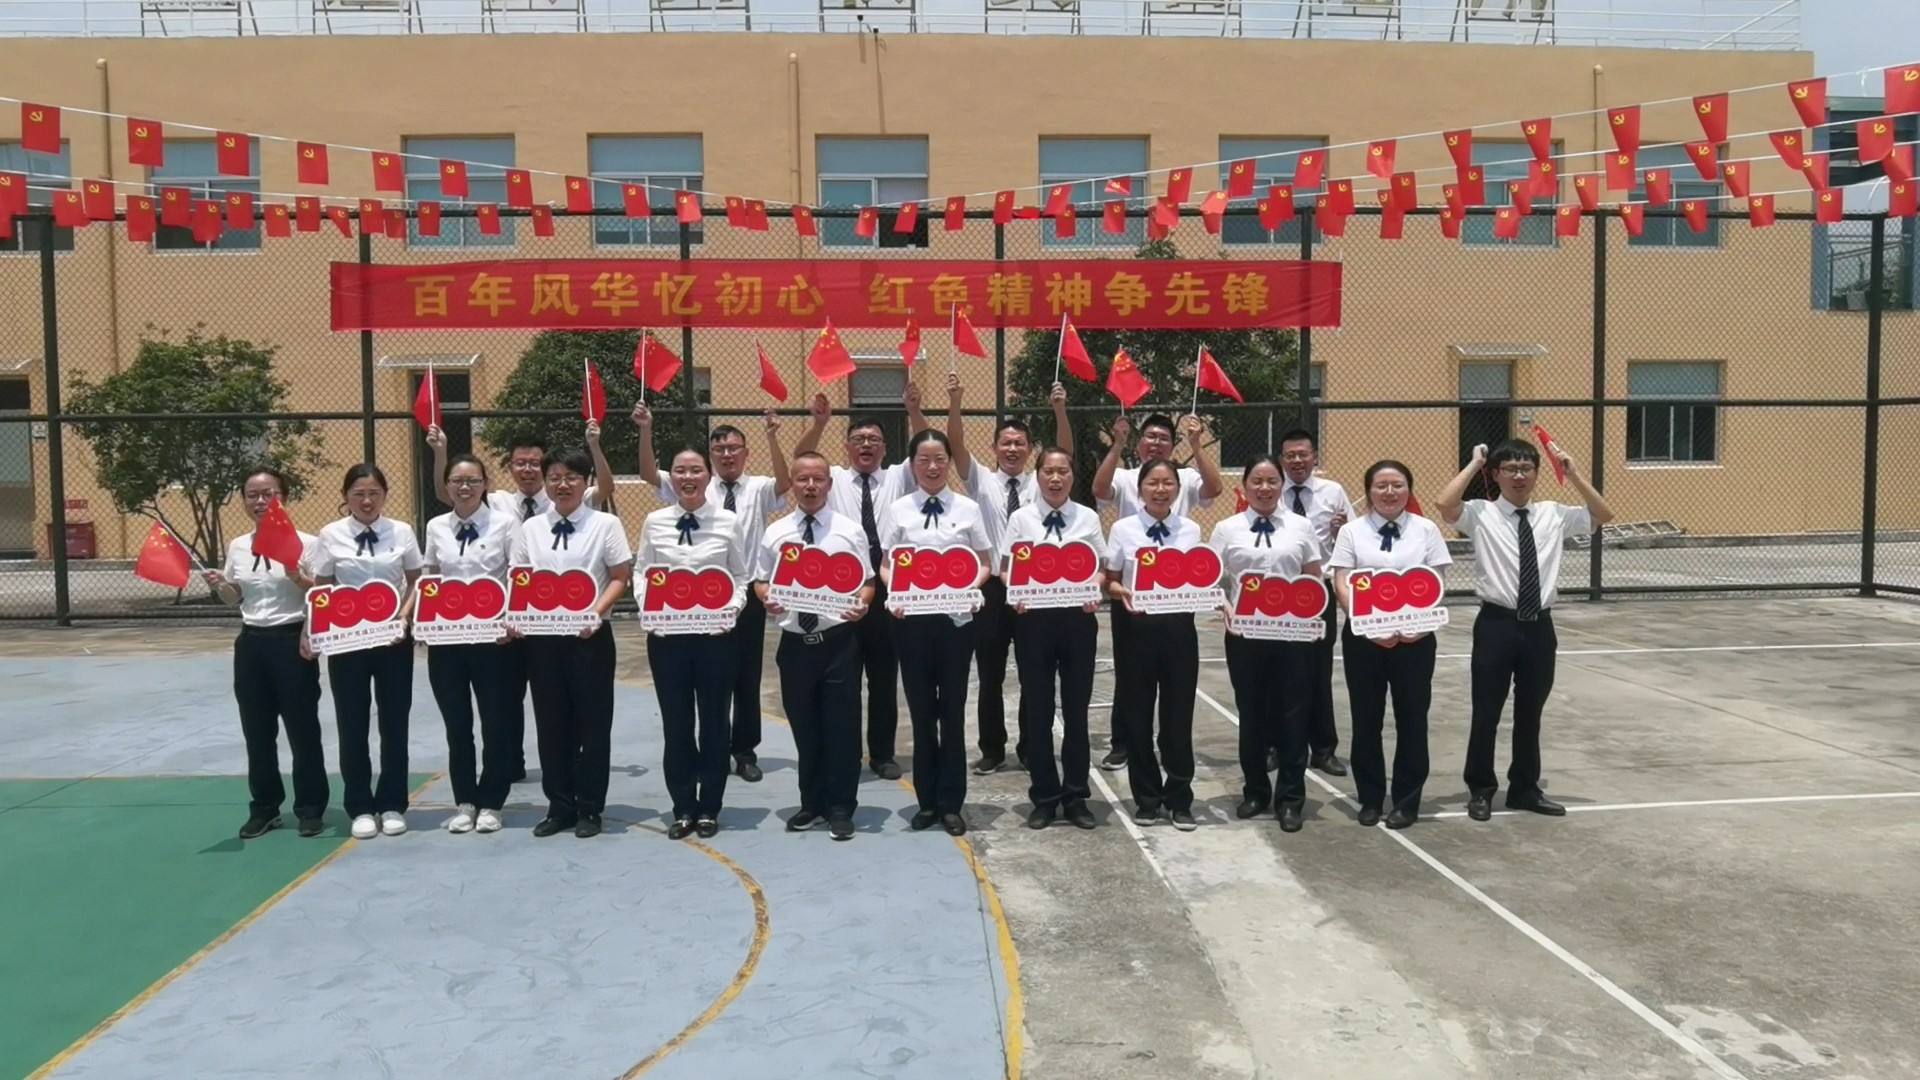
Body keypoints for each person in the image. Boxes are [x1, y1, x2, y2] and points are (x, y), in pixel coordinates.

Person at [1437, 438, 1614, 822]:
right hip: (1496, 625)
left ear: (1536, 473)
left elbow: (1603, 514)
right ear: (1497, 474)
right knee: (1486, 711)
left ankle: (1525, 788)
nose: (1518, 476)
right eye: (1510, 469)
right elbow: (1445, 505)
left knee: (1530, 712)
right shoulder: (1481, 512)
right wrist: (1474, 464)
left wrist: (1573, 474)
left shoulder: (1553, 514)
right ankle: (1481, 788)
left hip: (1539, 628)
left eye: (1526, 468)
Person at [429, 422, 614, 785]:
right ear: (509, 467)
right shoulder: (497, 503)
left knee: (565, 702)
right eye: (519, 462)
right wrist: (440, 453)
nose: (527, 469)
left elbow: (605, 488)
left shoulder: (563, 497)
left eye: (534, 462)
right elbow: (449, 493)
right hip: (509, 620)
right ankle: (510, 763)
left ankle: (572, 765)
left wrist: (595, 445)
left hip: (560, 622)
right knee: (508, 699)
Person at [635, 405, 791, 785]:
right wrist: (645, 430)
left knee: (746, 677)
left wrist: (773, 436)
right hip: (687, 601)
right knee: (704, 684)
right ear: (710, 457)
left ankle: (744, 751)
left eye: (733, 448)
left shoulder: (757, 487)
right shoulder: (695, 485)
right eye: (719, 449)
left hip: (742, 594)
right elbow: (648, 473)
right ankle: (703, 755)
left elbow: (784, 483)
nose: (726, 454)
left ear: (745, 452)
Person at [792, 384, 932, 781]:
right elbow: (801, 460)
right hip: (840, 587)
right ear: (847, 447)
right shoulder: (834, 478)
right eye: (858, 439)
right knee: (844, 678)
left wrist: (914, 411)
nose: (866, 445)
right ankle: (846, 753)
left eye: (873, 439)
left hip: (888, 585)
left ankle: (883, 753)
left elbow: (925, 446)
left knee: (884, 676)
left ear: (885, 448)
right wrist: (819, 423)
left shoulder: (899, 477)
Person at [944, 374, 1074, 776]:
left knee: (1035, 672)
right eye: (1006, 443)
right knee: (990, 674)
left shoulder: (1041, 482)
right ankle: (992, 748)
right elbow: (956, 445)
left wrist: (1059, 410)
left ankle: (1031, 746)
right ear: (995, 449)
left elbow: (1066, 452)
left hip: (1035, 588)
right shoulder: (981, 480)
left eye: (1020, 443)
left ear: (1031, 449)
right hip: (992, 588)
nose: (1013, 448)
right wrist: (955, 402)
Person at [510, 447, 634, 839]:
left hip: (590, 639)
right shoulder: (531, 528)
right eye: (555, 478)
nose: (562, 485)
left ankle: (590, 808)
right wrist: (516, 616)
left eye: (571, 477)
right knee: (551, 725)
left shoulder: (605, 524)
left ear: (586, 482)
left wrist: (595, 613)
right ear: (545, 483)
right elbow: (521, 578)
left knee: (593, 725)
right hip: (543, 641)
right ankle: (559, 806)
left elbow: (620, 576)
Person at [1091, 413, 1223, 773]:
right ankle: (1125, 744)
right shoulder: (1126, 481)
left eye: (1164, 437)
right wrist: (1116, 444)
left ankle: (1173, 751)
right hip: (1133, 602)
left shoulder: (1188, 496)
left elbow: (1214, 489)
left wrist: (1197, 444)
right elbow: (1100, 490)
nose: (1156, 442)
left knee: (1177, 689)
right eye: (1150, 436)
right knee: (1132, 682)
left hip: (1176, 608)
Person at [755, 451, 876, 842]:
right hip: (795, 646)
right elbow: (761, 580)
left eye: (818, 479)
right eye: (802, 479)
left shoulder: (849, 531)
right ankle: (811, 804)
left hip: (838, 643)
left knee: (842, 729)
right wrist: (766, 597)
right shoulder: (776, 533)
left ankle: (841, 808)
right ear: (792, 483)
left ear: (829, 484)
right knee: (805, 729)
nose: (810, 486)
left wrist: (863, 604)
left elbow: (867, 582)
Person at [1327, 460, 1452, 830]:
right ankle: (1369, 798)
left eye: (1397, 485)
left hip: (1416, 641)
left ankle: (1407, 801)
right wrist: (1366, 625)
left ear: (1409, 489)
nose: (1389, 492)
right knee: (1366, 720)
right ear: (1368, 491)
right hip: (1364, 640)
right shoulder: (1351, 532)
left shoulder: (1426, 529)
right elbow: (1342, 581)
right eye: (1381, 486)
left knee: (1412, 719)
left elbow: (1437, 580)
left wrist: (1418, 628)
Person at [204, 468, 328, 840]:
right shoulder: (239, 546)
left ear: (283, 497)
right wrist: (221, 585)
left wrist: (299, 580)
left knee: (302, 730)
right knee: (257, 731)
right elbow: (235, 598)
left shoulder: (307, 543)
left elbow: (320, 594)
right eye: (252, 494)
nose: (260, 501)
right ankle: (265, 808)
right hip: (251, 643)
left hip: (292, 641)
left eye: (268, 493)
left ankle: (310, 808)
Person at [880, 429, 993, 837]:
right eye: (923, 460)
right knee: (922, 711)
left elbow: (984, 562)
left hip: (955, 625)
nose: (932, 467)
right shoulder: (898, 510)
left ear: (949, 463)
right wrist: (895, 591)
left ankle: (951, 803)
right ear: (912, 465)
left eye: (940, 459)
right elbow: (887, 564)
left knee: (953, 710)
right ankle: (926, 801)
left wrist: (970, 588)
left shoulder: (968, 508)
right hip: (911, 625)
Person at [639, 447, 749, 841]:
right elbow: (643, 571)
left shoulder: (727, 521)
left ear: (708, 476)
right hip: (668, 640)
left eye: (696, 470)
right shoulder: (655, 521)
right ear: (671, 477)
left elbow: (740, 576)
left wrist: (730, 612)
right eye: (680, 470)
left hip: (715, 640)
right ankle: (683, 807)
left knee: (715, 723)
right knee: (677, 724)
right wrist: (650, 610)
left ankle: (709, 808)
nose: (688, 478)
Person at [310, 464, 423, 841]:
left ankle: (392, 804)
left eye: (374, 493)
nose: (367, 500)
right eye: (358, 494)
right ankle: (359, 806)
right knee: (352, 723)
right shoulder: (331, 534)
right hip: (348, 644)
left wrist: (404, 617)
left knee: (395, 722)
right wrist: (318, 631)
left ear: (385, 495)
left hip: (393, 642)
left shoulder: (401, 531)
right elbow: (322, 587)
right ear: (346, 497)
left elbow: (416, 580)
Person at [1210, 456, 1323, 833]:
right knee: (1252, 715)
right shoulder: (1227, 528)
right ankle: (1256, 791)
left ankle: (1290, 798)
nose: (1264, 488)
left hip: (1293, 636)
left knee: (1294, 715)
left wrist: (1310, 617)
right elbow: (1211, 577)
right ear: (1244, 486)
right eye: (1257, 481)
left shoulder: (1301, 526)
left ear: (1281, 485)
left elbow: (1312, 576)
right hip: (1245, 635)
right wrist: (1224, 605)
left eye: (1272, 481)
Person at [1000, 447, 1103, 830]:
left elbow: (1099, 568)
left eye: (1062, 471)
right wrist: (1016, 593)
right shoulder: (1021, 519)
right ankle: (1044, 797)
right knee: (1038, 712)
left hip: (1078, 622)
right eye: (1048, 471)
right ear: (1038, 475)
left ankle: (1076, 796)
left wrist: (1094, 589)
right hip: (1034, 624)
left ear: (1072, 477)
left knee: (1077, 712)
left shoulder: (1087, 517)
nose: (1055, 478)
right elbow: (1007, 569)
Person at [1103, 459, 1205, 831]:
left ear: (1177, 489)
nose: (1160, 490)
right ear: (1140, 488)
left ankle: (1179, 798)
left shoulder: (1190, 530)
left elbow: (1198, 578)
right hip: (1135, 630)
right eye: (1152, 483)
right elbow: (1110, 580)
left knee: (1178, 717)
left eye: (1167, 483)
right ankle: (1146, 799)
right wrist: (1121, 592)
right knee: (1138, 715)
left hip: (1179, 631)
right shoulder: (1123, 529)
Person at [421, 454, 519, 835]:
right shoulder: (436, 527)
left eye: (473, 480)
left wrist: (510, 619)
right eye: (458, 481)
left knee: (496, 722)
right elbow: (431, 575)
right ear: (447, 487)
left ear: (485, 484)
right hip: (448, 641)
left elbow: (517, 575)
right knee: (457, 724)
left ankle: (492, 800)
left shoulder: (505, 524)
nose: (465, 487)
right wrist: (426, 620)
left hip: (493, 641)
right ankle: (464, 800)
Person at [1275, 428, 1354, 778]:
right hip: (1279, 591)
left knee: (1318, 671)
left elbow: (1353, 537)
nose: (1297, 460)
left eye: (1303, 454)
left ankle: (1323, 748)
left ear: (1314, 457)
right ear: (1282, 459)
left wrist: (1340, 531)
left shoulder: (1333, 492)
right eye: (1290, 455)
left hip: (1319, 590)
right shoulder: (1271, 489)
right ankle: (1278, 745)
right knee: (1279, 670)